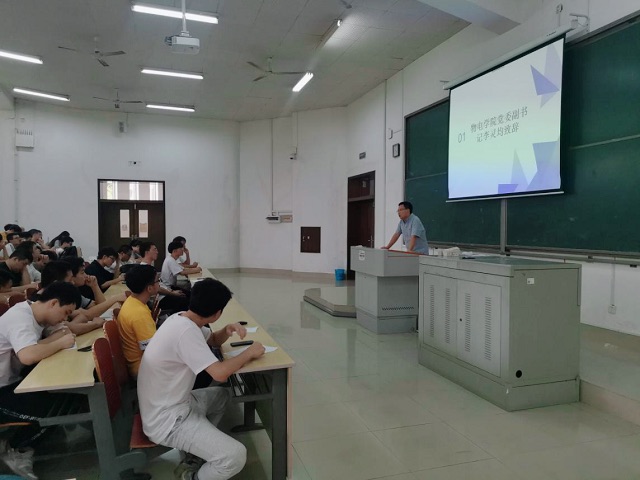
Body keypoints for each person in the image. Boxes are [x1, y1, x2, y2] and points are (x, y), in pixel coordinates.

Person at [137, 278, 265, 480]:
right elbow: (220, 373)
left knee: (222, 396)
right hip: (168, 421)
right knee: (235, 456)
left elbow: (212, 339)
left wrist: (227, 329)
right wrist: (249, 353)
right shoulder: (186, 331)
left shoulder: (181, 318)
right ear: (217, 314)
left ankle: (195, 453)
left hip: (173, 404)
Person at [0, 282, 79, 450]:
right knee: (48, 415)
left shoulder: (41, 316)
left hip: (14, 381)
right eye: (66, 312)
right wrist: (59, 343)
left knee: (65, 396)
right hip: (3, 389)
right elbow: (28, 356)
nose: (65, 319)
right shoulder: (20, 317)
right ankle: (15, 449)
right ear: (53, 303)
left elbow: (64, 332)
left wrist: (50, 342)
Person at [117, 265, 159, 378]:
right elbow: (152, 352)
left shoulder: (132, 301)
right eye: (157, 281)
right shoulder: (139, 314)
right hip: (143, 368)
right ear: (149, 288)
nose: (159, 283)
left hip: (139, 363)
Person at [139, 241, 189, 312]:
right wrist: (172, 293)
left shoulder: (149, 267)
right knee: (184, 300)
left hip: (164, 292)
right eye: (154, 249)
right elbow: (157, 289)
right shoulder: (145, 269)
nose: (157, 252)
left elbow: (159, 285)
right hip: (158, 299)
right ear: (147, 252)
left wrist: (171, 291)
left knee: (186, 295)